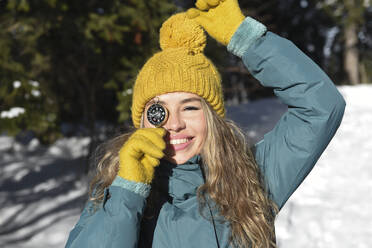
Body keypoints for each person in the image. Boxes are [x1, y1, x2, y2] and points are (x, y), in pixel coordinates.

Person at [65, 0, 346, 247]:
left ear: (211, 116)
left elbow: (320, 106)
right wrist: (127, 194)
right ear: (142, 122)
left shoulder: (252, 178)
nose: (174, 124)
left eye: (189, 107)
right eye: (158, 111)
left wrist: (248, 39)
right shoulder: (112, 197)